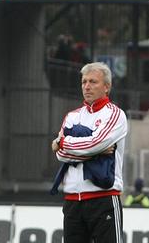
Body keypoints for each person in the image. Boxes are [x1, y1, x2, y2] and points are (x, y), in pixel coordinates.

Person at [51, 62, 127, 243]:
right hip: (72, 202)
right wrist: (95, 151)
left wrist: (63, 143)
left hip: (104, 199)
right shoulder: (72, 116)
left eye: (93, 82)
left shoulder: (115, 114)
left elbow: (96, 142)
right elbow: (60, 155)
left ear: (107, 87)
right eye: (84, 82)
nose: (87, 86)